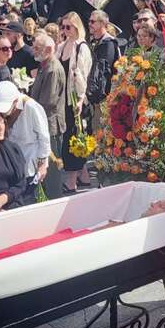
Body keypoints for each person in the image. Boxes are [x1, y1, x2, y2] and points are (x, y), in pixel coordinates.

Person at [0, 81, 50, 204]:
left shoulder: (31, 107)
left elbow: (44, 137)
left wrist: (42, 163)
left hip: (28, 159)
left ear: (15, 102)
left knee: (28, 199)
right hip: (5, 163)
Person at [57, 12, 93, 193]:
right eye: (63, 27)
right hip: (62, 99)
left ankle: (71, 180)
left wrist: (79, 100)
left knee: (73, 138)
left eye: (68, 27)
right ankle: (84, 175)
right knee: (74, 137)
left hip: (75, 99)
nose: (65, 30)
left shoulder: (82, 47)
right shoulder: (61, 46)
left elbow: (83, 77)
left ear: (77, 27)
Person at [30, 33, 66, 200]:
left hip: (51, 125)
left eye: (37, 48)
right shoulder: (45, 65)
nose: (33, 50)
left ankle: (55, 201)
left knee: (52, 171)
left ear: (50, 49)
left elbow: (48, 101)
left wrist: (28, 105)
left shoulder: (52, 68)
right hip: (45, 123)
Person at [87, 10, 120, 134]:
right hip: (94, 98)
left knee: (100, 133)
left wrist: (94, 96)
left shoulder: (108, 44)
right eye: (89, 21)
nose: (89, 24)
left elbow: (103, 75)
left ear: (102, 24)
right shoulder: (95, 42)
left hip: (103, 99)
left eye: (92, 21)